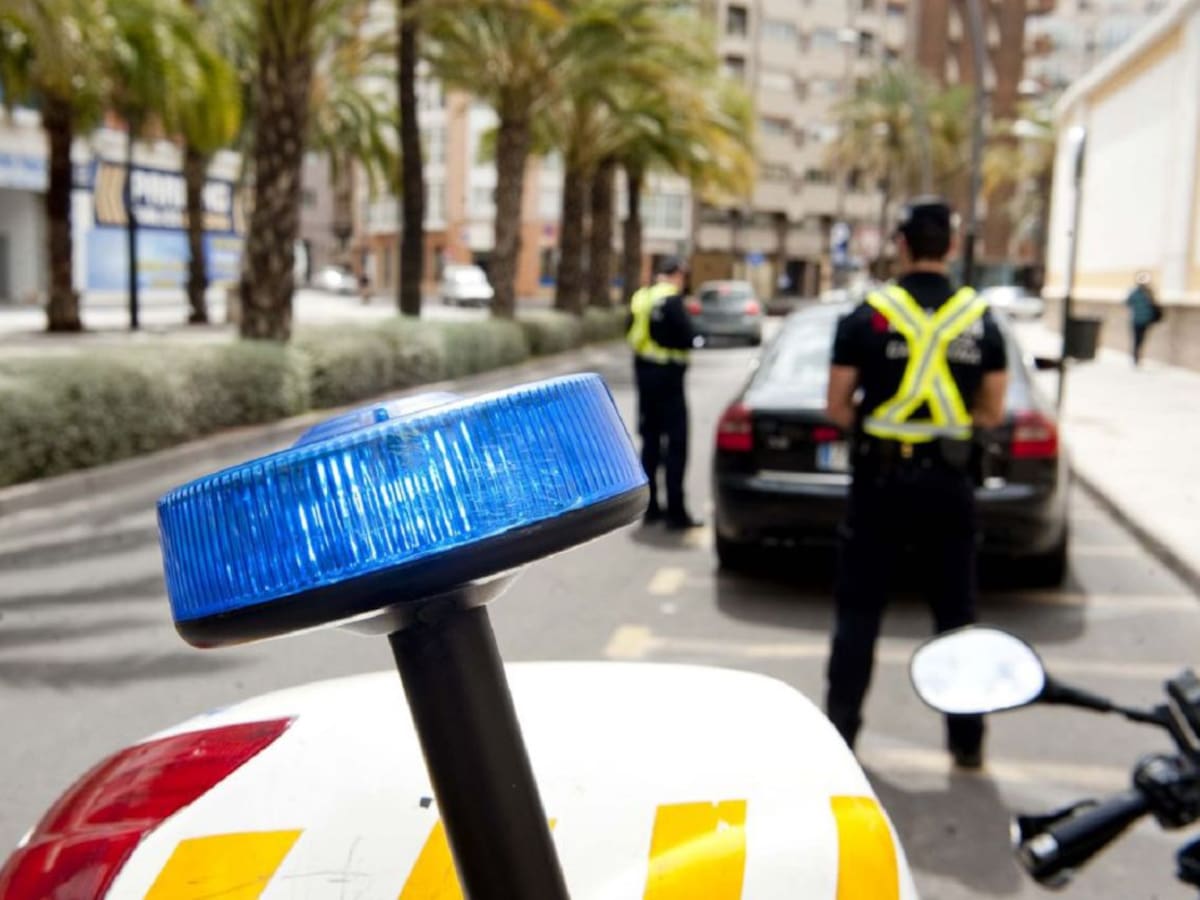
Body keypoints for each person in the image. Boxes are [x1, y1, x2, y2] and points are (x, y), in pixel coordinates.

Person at [823, 197, 1009, 767]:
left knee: (859, 614)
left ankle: (840, 740)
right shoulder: (981, 320)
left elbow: (836, 406)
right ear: (951, 247)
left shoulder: (865, 316)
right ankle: (967, 743)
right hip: (949, 484)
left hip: (879, 483)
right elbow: (992, 411)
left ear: (901, 245)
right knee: (957, 617)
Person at [627, 257, 703, 530]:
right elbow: (686, 336)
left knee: (650, 442)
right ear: (678, 274)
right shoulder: (671, 299)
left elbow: (630, 332)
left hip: (644, 377)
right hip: (670, 379)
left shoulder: (641, 297)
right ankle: (676, 512)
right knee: (676, 443)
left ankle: (649, 509)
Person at [1125, 271, 1161, 366]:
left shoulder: (1137, 292)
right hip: (1142, 320)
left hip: (1140, 320)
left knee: (1138, 339)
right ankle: (1137, 356)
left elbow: (1127, 302)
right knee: (1140, 339)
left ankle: (1136, 356)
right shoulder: (1147, 293)